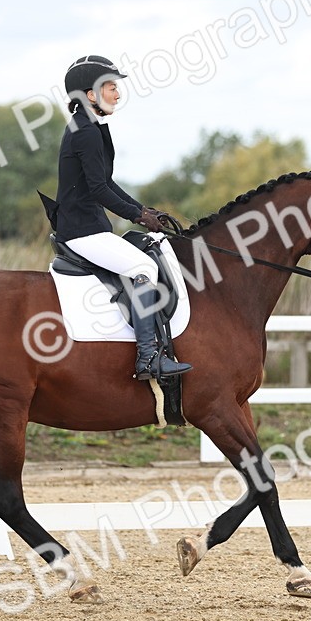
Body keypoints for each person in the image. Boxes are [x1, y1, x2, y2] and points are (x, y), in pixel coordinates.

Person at [56, 54, 192, 380]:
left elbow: (108, 183)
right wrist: (137, 216)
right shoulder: (85, 131)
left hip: (87, 225)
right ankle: (148, 357)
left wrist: (144, 210)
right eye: (111, 87)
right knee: (144, 267)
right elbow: (98, 190)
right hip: (82, 229)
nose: (117, 93)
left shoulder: (88, 126)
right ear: (90, 94)